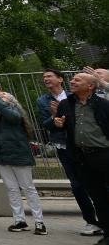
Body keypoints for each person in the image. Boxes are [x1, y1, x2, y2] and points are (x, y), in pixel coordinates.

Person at [36, 69, 101, 236]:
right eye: (44, 77)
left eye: (49, 76)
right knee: (77, 185)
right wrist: (55, 116)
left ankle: (104, 218)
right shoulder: (43, 101)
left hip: (88, 146)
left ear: (60, 79)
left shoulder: (75, 97)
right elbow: (46, 124)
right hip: (65, 148)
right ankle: (92, 222)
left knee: (99, 183)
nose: (46, 79)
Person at [0, 88, 47, 235]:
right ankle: (19, 220)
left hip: (18, 154)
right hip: (0, 155)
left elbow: (12, 118)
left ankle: (39, 221)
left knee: (28, 188)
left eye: (3, 95)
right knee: (11, 188)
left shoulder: (15, 110)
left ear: (11, 100)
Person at [53, 72, 109, 245]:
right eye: (73, 79)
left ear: (91, 85)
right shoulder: (66, 104)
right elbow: (59, 125)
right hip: (83, 157)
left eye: (77, 80)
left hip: (105, 155)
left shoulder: (103, 104)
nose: (72, 81)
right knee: (98, 197)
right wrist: (58, 124)